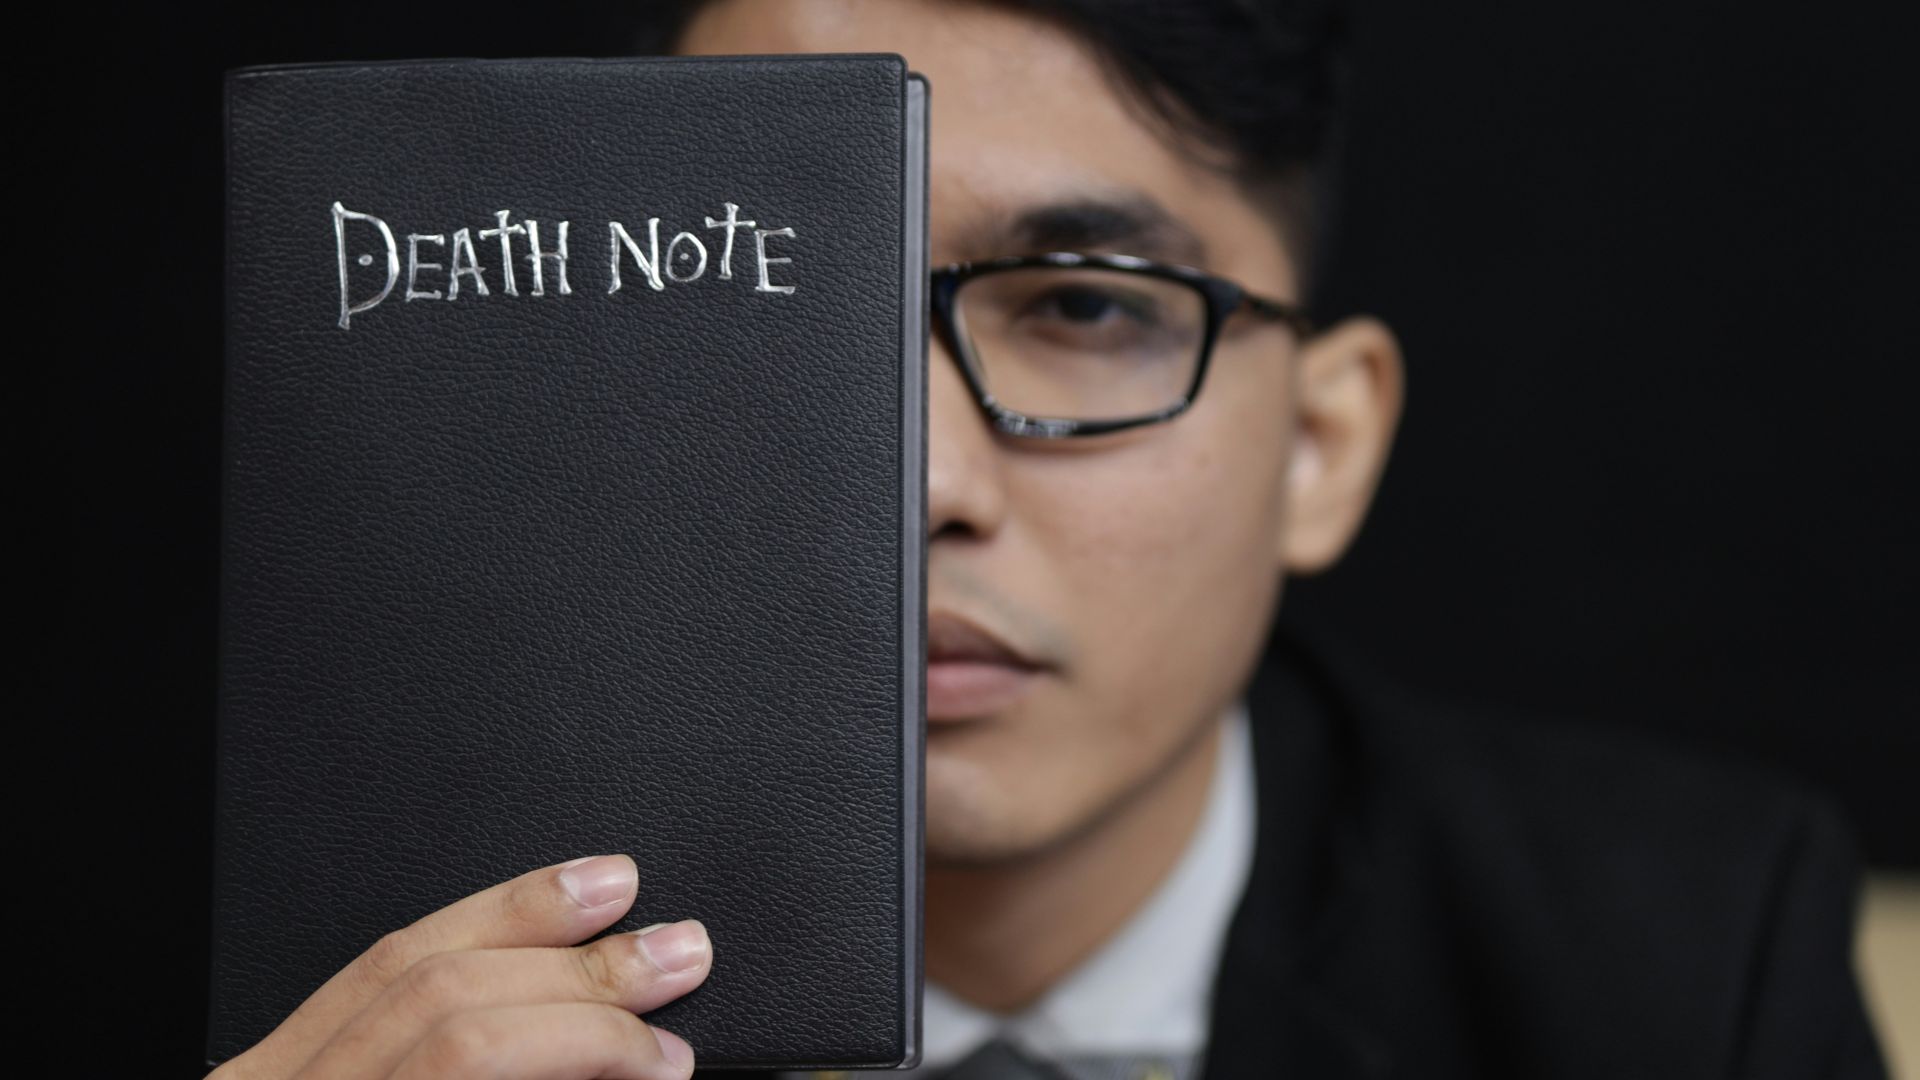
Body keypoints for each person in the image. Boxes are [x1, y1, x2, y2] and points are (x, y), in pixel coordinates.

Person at [208, 1, 1888, 1077]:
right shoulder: (377, 967)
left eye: (1085, 306)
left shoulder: (1677, 966)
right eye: (783, 304)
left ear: (1322, 444)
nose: (926, 475)